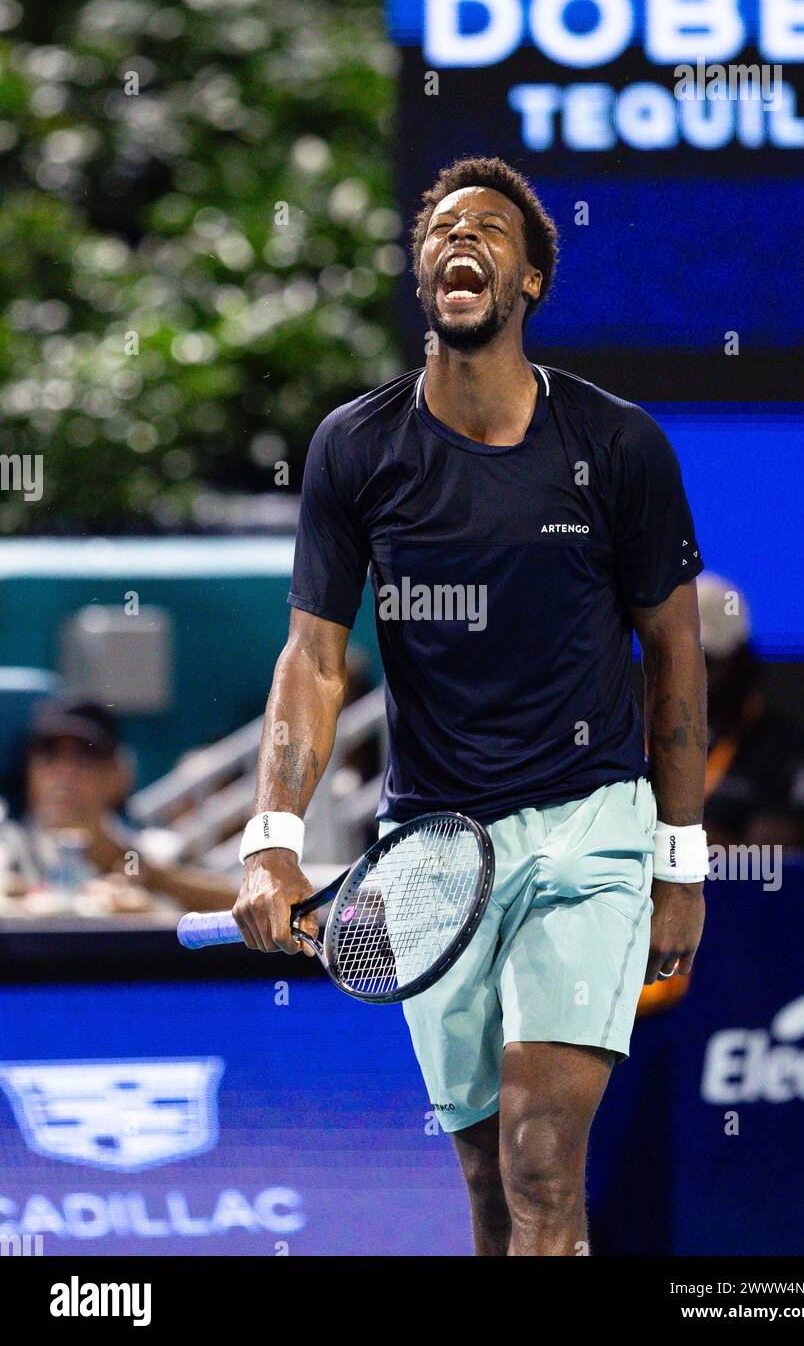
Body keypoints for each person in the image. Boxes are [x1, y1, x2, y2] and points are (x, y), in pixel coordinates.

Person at [233, 157, 708, 1256]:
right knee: (492, 1193)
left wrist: (677, 857)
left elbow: (672, 651)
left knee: (543, 1161)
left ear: (528, 279)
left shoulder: (615, 444)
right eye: (442, 227)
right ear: (422, 274)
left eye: (490, 230)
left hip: (586, 830)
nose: (462, 238)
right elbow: (312, 656)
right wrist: (270, 839)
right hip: (429, 855)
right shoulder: (356, 447)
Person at [0, 695, 237, 914]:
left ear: (119, 774)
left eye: (85, 757)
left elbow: (240, 906)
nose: (65, 772)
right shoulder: (7, 845)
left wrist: (150, 896)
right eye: (50, 757)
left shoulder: (157, 849)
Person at [698, 573, 804, 847]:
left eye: (708, 660)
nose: (693, 675)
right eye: (681, 659)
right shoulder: (636, 741)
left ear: (738, 660)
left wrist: (673, 839)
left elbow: (767, 857)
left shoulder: (784, 748)